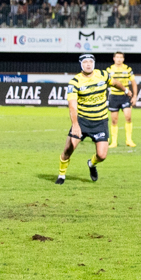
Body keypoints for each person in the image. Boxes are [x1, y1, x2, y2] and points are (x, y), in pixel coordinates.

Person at [56, 54, 110, 184]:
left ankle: (91, 164)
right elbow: (72, 106)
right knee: (68, 149)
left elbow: (115, 82)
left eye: (90, 61)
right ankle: (61, 175)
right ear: (81, 64)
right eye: (85, 62)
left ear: (94, 63)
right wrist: (75, 125)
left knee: (102, 156)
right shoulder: (75, 82)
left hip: (100, 121)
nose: (88, 64)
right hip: (82, 122)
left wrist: (125, 90)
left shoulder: (103, 75)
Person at [104, 51, 137, 148]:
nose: (119, 59)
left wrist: (134, 96)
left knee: (128, 117)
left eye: (120, 57)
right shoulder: (109, 70)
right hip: (114, 96)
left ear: (123, 59)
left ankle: (129, 140)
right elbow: (105, 83)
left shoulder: (127, 69)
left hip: (125, 96)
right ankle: (114, 142)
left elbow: (133, 83)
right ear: (114, 58)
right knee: (114, 120)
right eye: (117, 57)